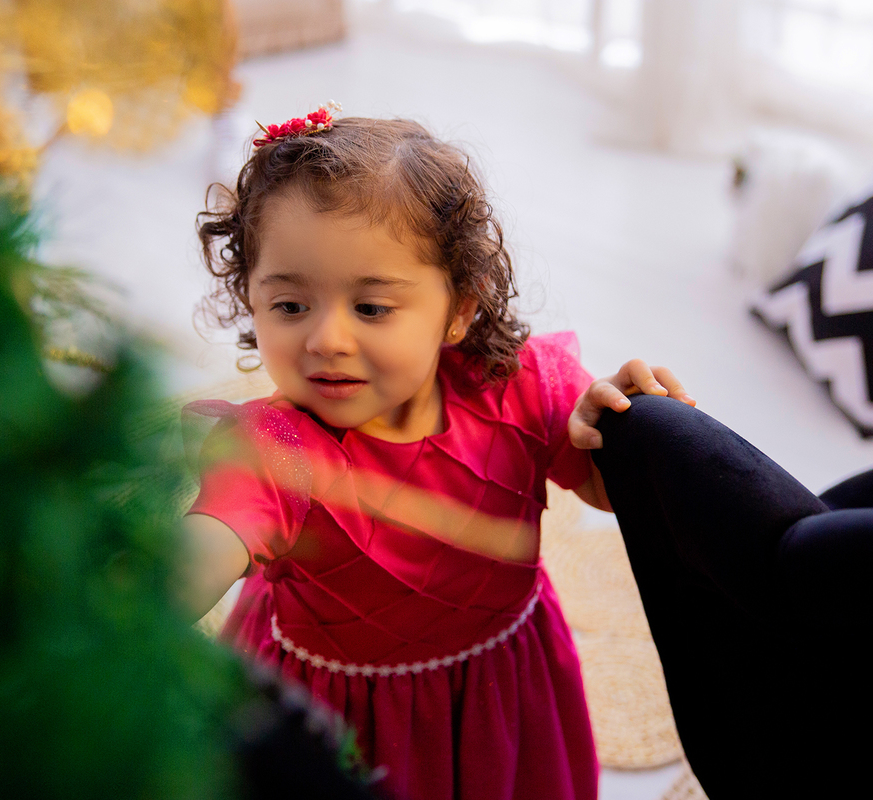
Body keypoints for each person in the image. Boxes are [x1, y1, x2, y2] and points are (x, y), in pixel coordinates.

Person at [176, 107, 694, 800]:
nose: (326, 340)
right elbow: (202, 550)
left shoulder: (524, 386)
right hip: (337, 723)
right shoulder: (278, 450)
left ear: (459, 309)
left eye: (371, 308)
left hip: (500, 692)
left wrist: (633, 432)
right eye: (291, 306)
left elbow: (607, 489)